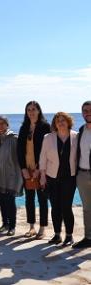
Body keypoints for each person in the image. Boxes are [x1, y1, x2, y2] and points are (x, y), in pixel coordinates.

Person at [39, 112, 78, 246]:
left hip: (70, 178)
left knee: (66, 207)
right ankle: (57, 235)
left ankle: (69, 236)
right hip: (52, 177)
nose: (60, 123)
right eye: (57, 121)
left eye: (63, 120)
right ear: (54, 124)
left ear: (68, 122)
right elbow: (42, 158)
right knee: (55, 207)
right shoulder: (48, 137)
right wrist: (42, 177)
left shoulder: (76, 136)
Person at [17, 101, 51, 239]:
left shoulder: (45, 126)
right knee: (29, 199)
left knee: (42, 199)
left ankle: (42, 228)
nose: (31, 112)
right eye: (28, 109)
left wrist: (39, 168)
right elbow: (19, 150)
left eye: (34, 109)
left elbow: (47, 149)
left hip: (41, 169)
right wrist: (23, 168)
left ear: (39, 111)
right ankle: (31, 227)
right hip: (27, 169)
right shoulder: (24, 127)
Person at [0, 116, 23, 236]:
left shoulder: (14, 138)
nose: (0, 125)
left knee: (10, 200)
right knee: (2, 200)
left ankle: (12, 226)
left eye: (3, 123)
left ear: (7, 124)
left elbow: (20, 156)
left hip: (12, 174)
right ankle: (5, 223)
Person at [73, 101, 91, 249]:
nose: (88, 112)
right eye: (85, 110)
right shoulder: (81, 130)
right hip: (83, 175)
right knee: (87, 209)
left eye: (90, 110)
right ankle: (88, 237)